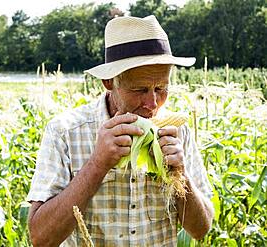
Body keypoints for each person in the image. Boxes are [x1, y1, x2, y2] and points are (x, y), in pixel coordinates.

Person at [26, 15, 214, 246]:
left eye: (161, 88)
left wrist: (179, 174)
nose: (153, 103)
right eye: (139, 90)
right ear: (109, 82)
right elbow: (41, 238)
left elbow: (201, 229)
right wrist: (98, 164)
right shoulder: (65, 132)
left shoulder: (177, 132)